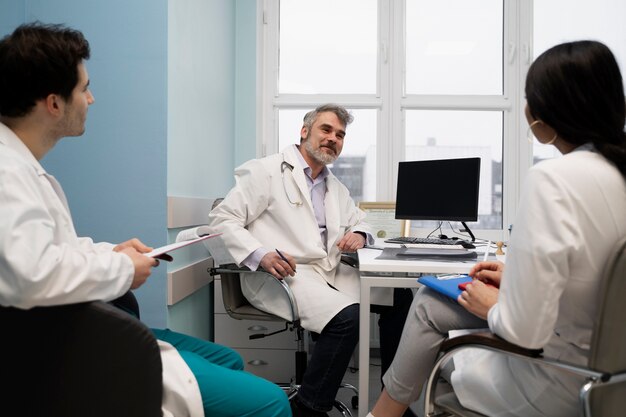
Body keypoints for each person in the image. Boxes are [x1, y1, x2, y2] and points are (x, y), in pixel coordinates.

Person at [0, 22, 290, 417]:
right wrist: (122, 268)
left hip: (75, 326)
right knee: (270, 402)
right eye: (84, 88)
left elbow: (49, 252)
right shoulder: (7, 172)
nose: (92, 98)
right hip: (61, 347)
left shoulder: (22, 166)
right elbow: (30, 276)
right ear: (54, 103)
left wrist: (111, 251)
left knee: (228, 361)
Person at [367, 40, 626, 417]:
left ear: (549, 110)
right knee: (431, 304)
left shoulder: (554, 179)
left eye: (527, 97)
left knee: (428, 312)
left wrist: (494, 305)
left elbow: (525, 333)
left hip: (559, 381)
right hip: (614, 377)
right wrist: (518, 277)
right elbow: (598, 282)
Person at [207, 103, 414, 417]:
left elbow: (362, 220)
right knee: (349, 318)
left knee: (398, 296)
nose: (333, 138)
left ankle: (393, 400)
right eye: (326, 130)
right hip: (282, 274)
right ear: (305, 132)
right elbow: (222, 221)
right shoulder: (265, 171)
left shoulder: (336, 188)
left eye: (340, 135)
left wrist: (359, 233)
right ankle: (308, 410)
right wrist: (260, 254)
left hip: (327, 272)